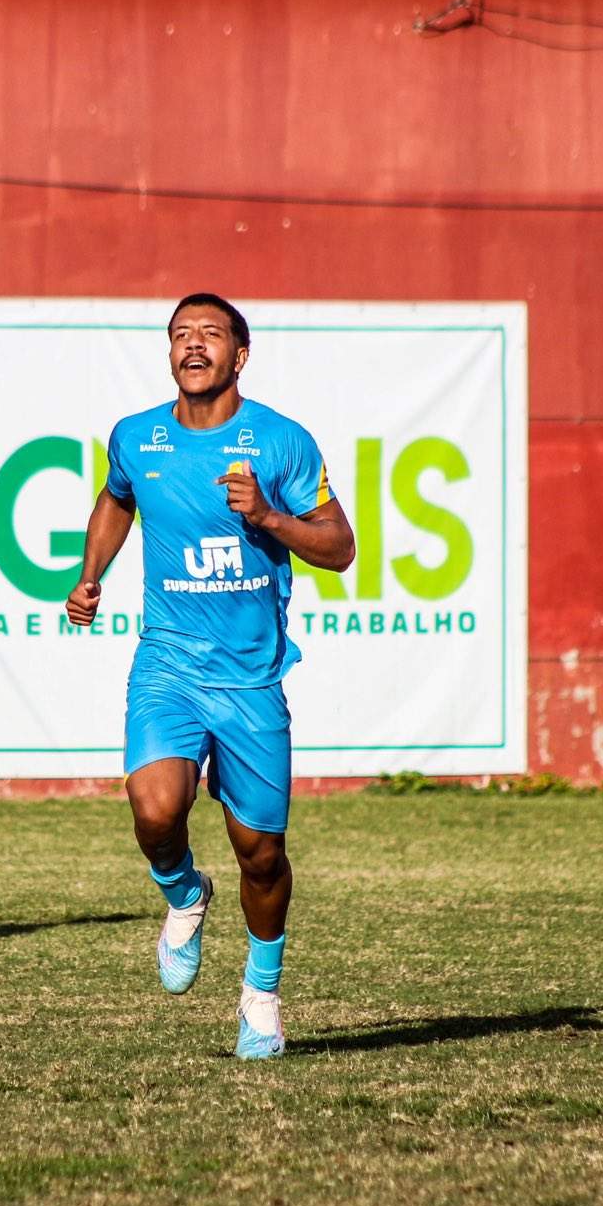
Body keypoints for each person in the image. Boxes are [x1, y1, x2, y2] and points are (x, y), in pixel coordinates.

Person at [66, 294, 355, 1060]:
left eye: (211, 335)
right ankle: (185, 892)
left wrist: (268, 518)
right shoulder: (137, 437)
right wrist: (91, 574)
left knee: (260, 850)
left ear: (241, 353)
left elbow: (338, 546)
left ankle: (261, 996)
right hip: (167, 663)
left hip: (250, 680)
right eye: (180, 336)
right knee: (155, 809)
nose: (194, 347)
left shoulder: (281, 442)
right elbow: (116, 497)